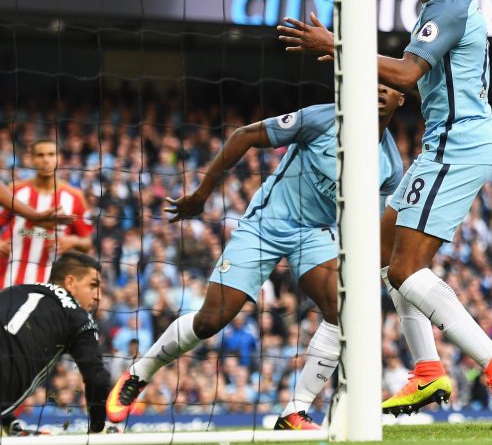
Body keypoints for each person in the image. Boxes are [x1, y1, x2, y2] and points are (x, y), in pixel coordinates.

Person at [278, 0, 492, 430]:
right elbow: (424, 80)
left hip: (458, 145)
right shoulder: (434, 8)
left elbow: (409, 72)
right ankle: (426, 369)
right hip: (444, 142)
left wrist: (335, 43)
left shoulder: (450, 6)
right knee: (380, 256)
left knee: (406, 270)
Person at [105, 89, 405, 431]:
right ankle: (138, 374)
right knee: (211, 321)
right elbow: (243, 135)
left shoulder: (389, 165)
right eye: (374, 82)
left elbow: (372, 223)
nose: (379, 90)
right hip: (266, 224)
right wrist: (202, 195)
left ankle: (294, 411)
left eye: (389, 86)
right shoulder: (324, 118)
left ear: (402, 100)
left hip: (314, 233)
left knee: (344, 310)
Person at [0, 251, 109, 435]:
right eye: (93, 285)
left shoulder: (12, 291)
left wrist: (10, 423)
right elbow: (97, 378)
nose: (98, 295)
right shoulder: (77, 317)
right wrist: (97, 428)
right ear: (70, 283)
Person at [0, 139, 93, 288]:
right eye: (40, 155)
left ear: (59, 158)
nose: (46, 160)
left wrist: (73, 241)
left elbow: (88, 243)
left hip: (50, 284)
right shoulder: (14, 191)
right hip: (8, 279)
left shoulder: (75, 197)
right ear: (31, 159)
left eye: (51, 154)